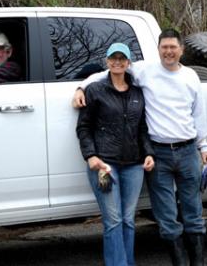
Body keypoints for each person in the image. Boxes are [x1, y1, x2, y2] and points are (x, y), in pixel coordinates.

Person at [74, 29, 207, 266]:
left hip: (188, 150)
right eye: (164, 47)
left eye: (173, 47)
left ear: (182, 49)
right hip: (158, 152)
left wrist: (204, 146)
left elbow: (198, 114)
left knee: (193, 211)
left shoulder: (191, 76)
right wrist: (80, 88)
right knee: (166, 215)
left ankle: (198, 262)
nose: (168, 51)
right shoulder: (144, 71)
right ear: (158, 49)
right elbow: (107, 73)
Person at [75, 43, 155, 266]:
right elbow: (84, 127)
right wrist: (91, 156)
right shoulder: (95, 90)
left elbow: (142, 129)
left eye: (122, 58)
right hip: (104, 165)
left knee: (128, 220)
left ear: (128, 63)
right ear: (107, 61)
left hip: (134, 165)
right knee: (113, 220)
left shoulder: (138, 93)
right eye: (113, 58)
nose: (117, 62)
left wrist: (148, 154)